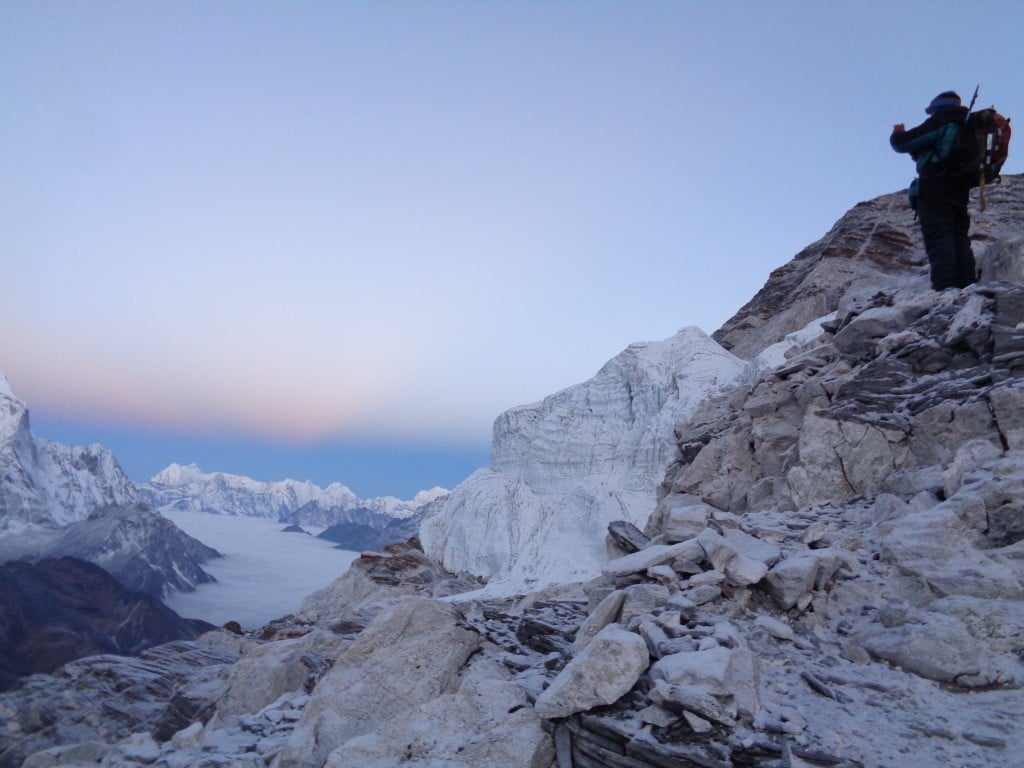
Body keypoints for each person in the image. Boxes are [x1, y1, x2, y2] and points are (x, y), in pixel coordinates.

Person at [890, 90, 977, 290]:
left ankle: (945, 288)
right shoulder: (965, 125)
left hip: (935, 187)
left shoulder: (942, 120)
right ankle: (966, 286)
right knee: (959, 236)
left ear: (937, 108)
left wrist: (897, 133)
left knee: (939, 235)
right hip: (959, 189)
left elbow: (902, 143)